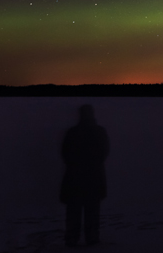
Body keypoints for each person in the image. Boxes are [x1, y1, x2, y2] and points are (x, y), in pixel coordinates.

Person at [60, 104, 109, 247]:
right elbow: (104, 152)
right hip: (92, 177)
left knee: (74, 211)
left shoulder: (73, 132)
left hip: (75, 177)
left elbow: (65, 153)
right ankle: (91, 237)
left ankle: (72, 238)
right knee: (92, 210)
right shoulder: (99, 132)